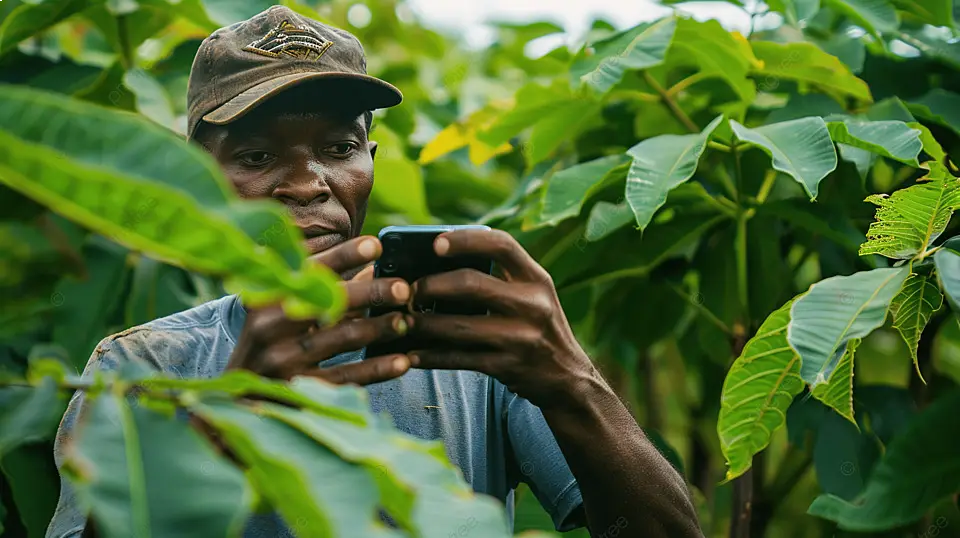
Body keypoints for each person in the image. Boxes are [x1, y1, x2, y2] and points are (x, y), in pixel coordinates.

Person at [46, 5, 702, 538]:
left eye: (339, 148)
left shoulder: (474, 351)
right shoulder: (142, 369)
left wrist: (571, 383)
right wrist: (226, 425)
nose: (307, 184)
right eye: (255, 154)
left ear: (371, 161)